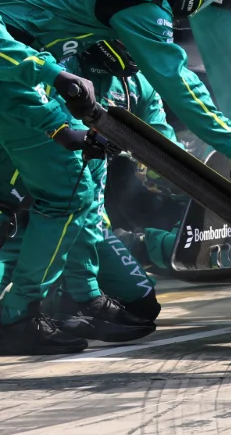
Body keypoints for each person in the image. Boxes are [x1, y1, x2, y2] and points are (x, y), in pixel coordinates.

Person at [0, 0, 231, 353]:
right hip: (16, 67)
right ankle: (18, 317)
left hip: (27, 66)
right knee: (66, 191)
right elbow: (178, 82)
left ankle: (78, 298)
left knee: (75, 178)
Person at [0, 41, 172, 346]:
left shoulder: (137, 86)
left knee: (143, 302)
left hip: (76, 215)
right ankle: (38, 309)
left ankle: (78, 300)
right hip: (18, 201)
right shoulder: (58, 62)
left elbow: (166, 145)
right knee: (56, 211)